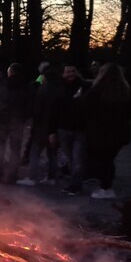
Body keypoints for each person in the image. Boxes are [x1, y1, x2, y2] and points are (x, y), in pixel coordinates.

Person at [82, 63, 131, 199]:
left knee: (103, 160)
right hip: (119, 133)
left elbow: (87, 109)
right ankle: (106, 183)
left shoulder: (96, 90)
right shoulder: (126, 91)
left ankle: (106, 188)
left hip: (101, 132)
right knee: (109, 159)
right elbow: (129, 113)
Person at [0, 64, 33, 184]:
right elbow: (30, 105)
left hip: (1, 121)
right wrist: (23, 117)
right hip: (17, 122)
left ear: (10, 72)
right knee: (15, 150)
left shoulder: (1, 85)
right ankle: (12, 176)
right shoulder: (25, 86)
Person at [18, 69, 61, 186]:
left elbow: (38, 110)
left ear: (46, 78)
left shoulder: (43, 90)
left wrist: (33, 123)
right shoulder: (59, 90)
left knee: (35, 152)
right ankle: (51, 178)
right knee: (52, 154)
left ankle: (32, 177)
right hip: (55, 129)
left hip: (42, 128)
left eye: (43, 76)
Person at [54, 64, 90, 194]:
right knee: (70, 158)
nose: (71, 74)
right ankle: (74, 182)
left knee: (77, 158)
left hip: (80, 129)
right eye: (68, 72)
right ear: (63, 74)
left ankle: (76, 186)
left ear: (77, 72)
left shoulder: (85, 87)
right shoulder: (59, 88)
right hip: (63, 129)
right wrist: (52, 131)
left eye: (73, 71)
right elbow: (55, 111)